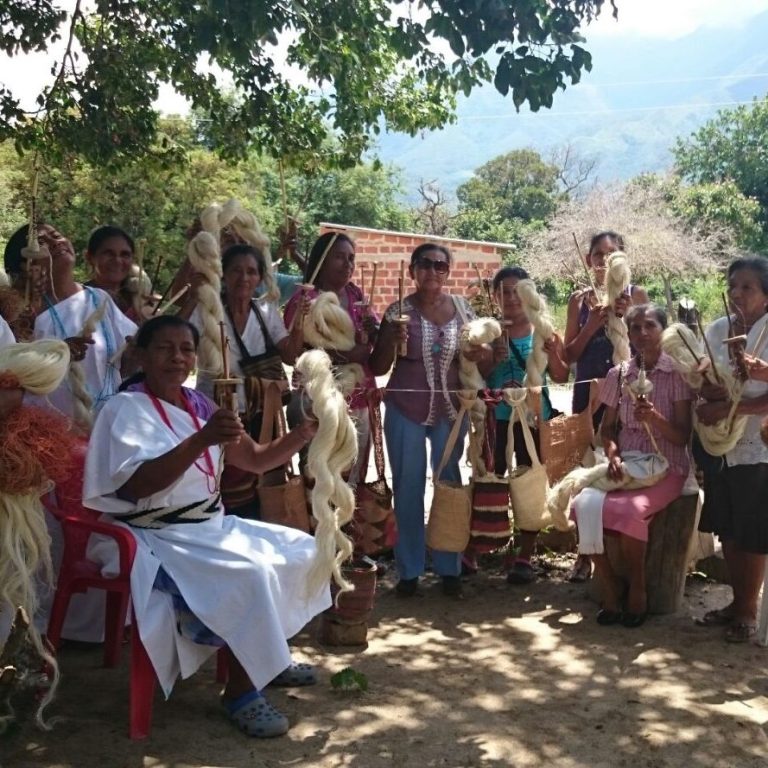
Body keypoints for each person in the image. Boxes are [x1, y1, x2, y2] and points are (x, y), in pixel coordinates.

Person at [82, 315, 330, 737]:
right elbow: (137, 487)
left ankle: (266, 656)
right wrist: (200, 440)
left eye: (186, 349)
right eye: (164, 348)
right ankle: (240, 692)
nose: (177, 357)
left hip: (209, 527)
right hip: (155, 534)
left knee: (303, 550)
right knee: (249, 573)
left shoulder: (201, 406)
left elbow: (254, 460)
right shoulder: (124, 408)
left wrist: (305, 434)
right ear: (141, 355)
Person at [370, 242, 486, 597]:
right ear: (412, 271)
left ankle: (450, 568)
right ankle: (409, 571)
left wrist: (482, 352)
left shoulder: (464, 311)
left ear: (448, 272)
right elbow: (378, 367)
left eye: (440, 266)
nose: (432, 272)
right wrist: (390, 337)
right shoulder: (397, 311)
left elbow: (475, 363)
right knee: (408, 486)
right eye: (425, 264)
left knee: (449, 484)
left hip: (450, 411)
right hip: (405, 409)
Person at [576, 303, 693, 628]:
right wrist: (612, 456)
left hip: (667, 466)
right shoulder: (618, 374)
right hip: (625, 463)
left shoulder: (678, 374)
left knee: (629, 513)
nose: (642, 333)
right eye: (635, 328)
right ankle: (611, 586)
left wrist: (654, 418)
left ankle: (638, 587)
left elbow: (683, 436)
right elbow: (608, 429)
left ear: (663, 331)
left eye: (650, 326)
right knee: (582, 504)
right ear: (627, 334)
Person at [189, 243, 307, 517]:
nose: (244, 278)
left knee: (266, 484)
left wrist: (300, 319)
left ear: (259, 278)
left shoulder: (265, 312)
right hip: (217, 414)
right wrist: (193, 295)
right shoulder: (206, 312)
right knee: (225, 486)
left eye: (251, 272)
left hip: (263, 417)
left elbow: (290, 355)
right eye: (236, 271)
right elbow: (182, 340)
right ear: (224, 276)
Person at [563, 231, 648, 582]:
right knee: (586, 471)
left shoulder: (637, 296)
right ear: (589, 261)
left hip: (630, 397)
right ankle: (586, 555)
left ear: (623, 258)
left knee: (625, 467)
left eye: (612, 253)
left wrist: (629, 319)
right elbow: (567, 356)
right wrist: (593, 324)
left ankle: (627, 555)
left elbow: (654, 349)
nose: (605, 260)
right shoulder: (579, 300)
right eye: (598, 255)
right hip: (588, 397)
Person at [479, 266, 569, 584]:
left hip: (534, 418)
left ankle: (524, 554)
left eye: (517, 291)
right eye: (504, 292)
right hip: (497, 418)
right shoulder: (487, 333)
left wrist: (553, 353)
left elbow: (560, 375)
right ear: (495, 296)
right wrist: (492, 356)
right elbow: (477, 374)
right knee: (492, 478)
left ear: (528, 293)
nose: (512, 298)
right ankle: (491, 541)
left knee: (531, 482)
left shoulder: (543, 330)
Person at [696, 257, 768, 643]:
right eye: (733, 285)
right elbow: (706, 383)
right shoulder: (718, 329)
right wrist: (710, 391)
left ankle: (748, 610)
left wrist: (755, 381)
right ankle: (736, 602)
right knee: (729, 527)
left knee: (753, 531)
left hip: (759, 448)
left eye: (748, 287)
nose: (737, 293)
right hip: (721, 444)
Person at [4, 223, 136, 424]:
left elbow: (125, 364)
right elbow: (13, 372)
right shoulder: (22, 312)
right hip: (53, 431)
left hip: (108, 423)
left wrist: (134, 352)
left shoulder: (99, 298)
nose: (56, 243)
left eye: (57, 235)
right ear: (25, 262)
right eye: (42, 243)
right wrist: (58, 352)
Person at [284, 232, 378, 488]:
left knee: (351, 479)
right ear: (322, 261)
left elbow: (372, 340)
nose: (348, 264)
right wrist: (349, 354)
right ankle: (317, 527)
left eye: (351, 258)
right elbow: (296, 353)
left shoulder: (356, 295)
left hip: (359, 400)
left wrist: (377, 332)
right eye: (339, 257)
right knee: (318, 478)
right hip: (316, 404)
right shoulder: (304, 301)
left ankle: (346, 527)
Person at [83, 225, 149, 323]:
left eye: (125, 255)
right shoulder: (80, 299)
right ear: (89, 257)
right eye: (109, 254)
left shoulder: (141, 301)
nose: (117, 260)